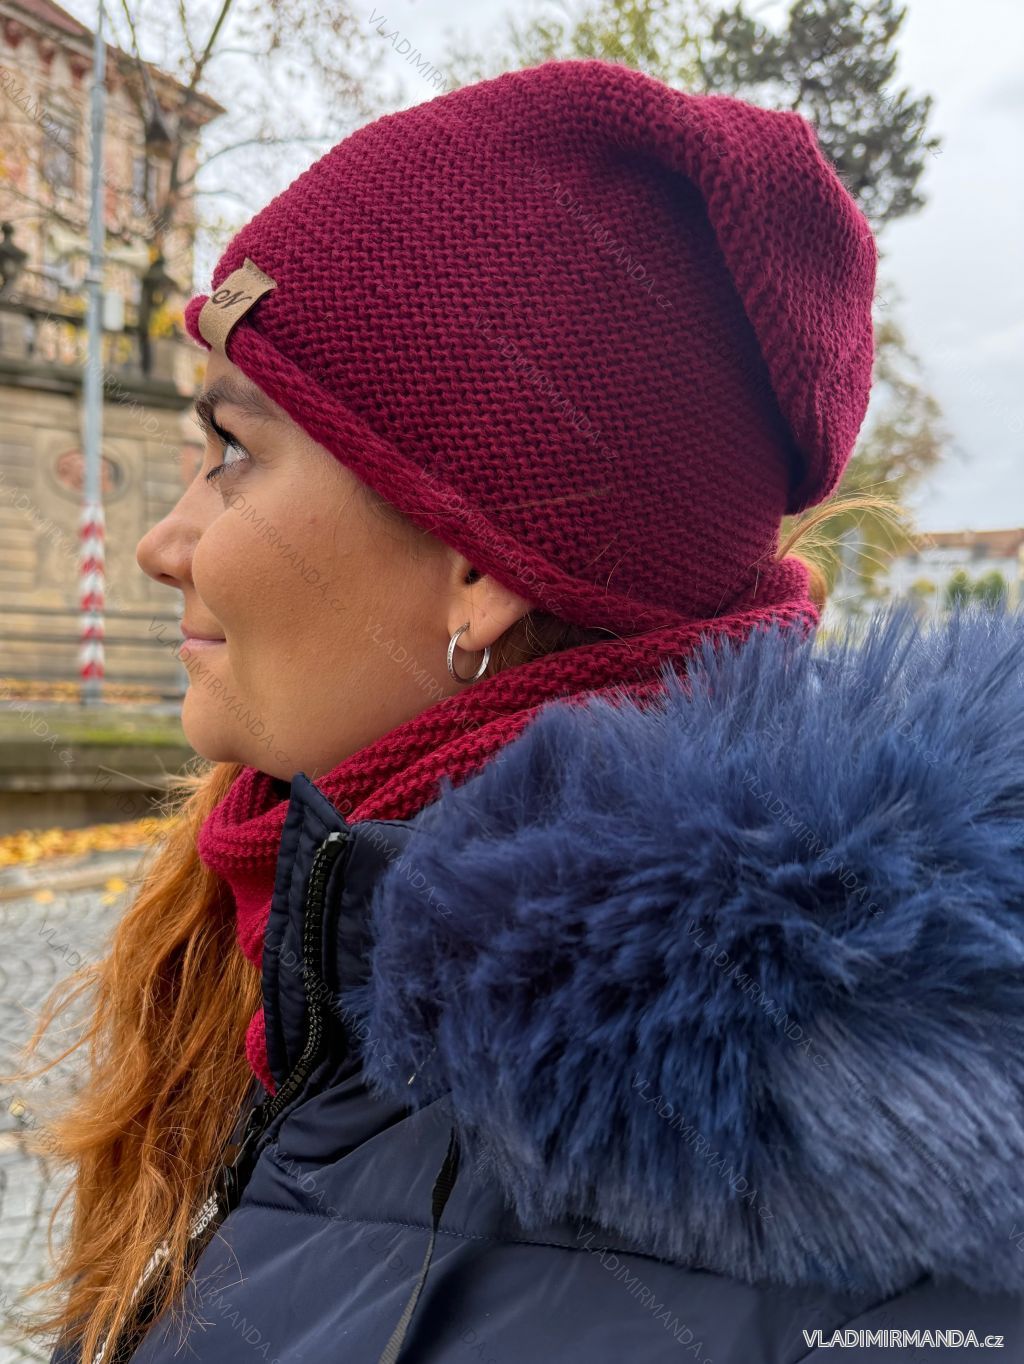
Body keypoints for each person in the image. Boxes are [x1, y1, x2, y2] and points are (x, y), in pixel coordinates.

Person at [10, 58, 1023, 1364]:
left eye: (238, 454)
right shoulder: (310, 949)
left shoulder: (868, 1212)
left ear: (480, 568)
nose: (164, 543)